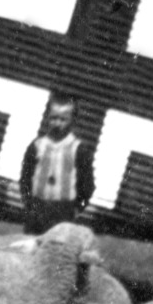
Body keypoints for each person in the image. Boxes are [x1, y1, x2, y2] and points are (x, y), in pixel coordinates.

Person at [20, 95, 96, 234]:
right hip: (38, 207)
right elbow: (25, 177)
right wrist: (28, 203)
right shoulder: (37, 145)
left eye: (63, 119)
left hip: (63, 210)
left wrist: (77, 209)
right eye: (53, 118)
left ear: (72, 120)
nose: (57, 123)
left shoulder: (78, 149)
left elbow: (87, 185)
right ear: (47, 117)